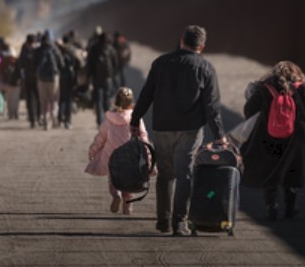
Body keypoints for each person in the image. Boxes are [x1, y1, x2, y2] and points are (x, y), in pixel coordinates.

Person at [130, 25, 227, 236]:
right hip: (189, 130)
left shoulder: (160, 63)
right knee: (185, 175)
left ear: (181, 40)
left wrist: (135, 119)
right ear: (201, 46)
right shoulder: (206, 67)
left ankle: (163, 221)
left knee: (165, 175)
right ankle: (179, 223)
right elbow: (211, 106)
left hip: (162, 127)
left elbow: (146, 93)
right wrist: (219, 135)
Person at [242, 60, 305, 221]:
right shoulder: (304, 89)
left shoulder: (264, 88)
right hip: (297, 136)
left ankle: (271, 206)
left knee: (270, 169)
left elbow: (249, 110)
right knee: (293, 170)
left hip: (268, 133)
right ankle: (290, 208)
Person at [86, 87, 149, 215]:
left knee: (113, 178)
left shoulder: (109, 119)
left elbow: (100, 138)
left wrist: (92, 151)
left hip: (111, 155)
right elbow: (143, 136)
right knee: (129, 179)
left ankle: (116, 195)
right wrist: (148, 155)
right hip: (131, 155)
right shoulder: (136, 119)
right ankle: (127, 205)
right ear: (132, 103)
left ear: (116, 102)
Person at [86, 32, 118, 127]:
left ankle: (99, 122)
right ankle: (108, 121)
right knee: (107, 100)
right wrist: (112, 75)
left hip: (97, 78)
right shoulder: (111, 49)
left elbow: (90, 63)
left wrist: (89, 76)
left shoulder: (94, 48)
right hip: (108, 78)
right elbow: (116, 64)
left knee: (98, 100)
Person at [34, 32, 63, 130]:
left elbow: (33, 64)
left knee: (44, 100)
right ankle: (54, 117)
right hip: (53, 77)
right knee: (54, 99)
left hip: (41, 78)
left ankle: (46, 121)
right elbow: (61, 63)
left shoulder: (37, 51)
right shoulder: (55, 49)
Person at [18, 34, 41, 128]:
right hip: (37, 78)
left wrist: (22, 77)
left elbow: (20, 66)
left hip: (27, 78)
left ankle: (32, 120)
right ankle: (39, 117)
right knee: (39, 98)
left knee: (30, 99)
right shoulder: (37, 51)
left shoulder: (23, 52)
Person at [0, 47, 20, 120]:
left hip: (7, 83)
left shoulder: (4, 62)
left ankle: (10, 114)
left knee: (9, 99)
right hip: (17, 83)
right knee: (15, 99)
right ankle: (15, 113)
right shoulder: (17, 61)